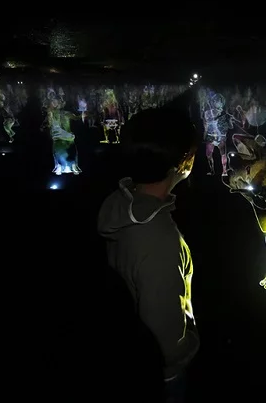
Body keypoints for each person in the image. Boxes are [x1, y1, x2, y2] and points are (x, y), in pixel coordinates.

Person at [97, 106, 199, 402]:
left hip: (132, 351)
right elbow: (163, 332)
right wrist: (187, 346)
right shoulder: (158, 240)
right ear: (183, 162)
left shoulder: (122, 205)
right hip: (163, 374)